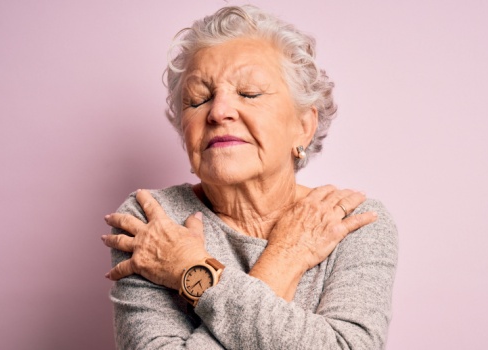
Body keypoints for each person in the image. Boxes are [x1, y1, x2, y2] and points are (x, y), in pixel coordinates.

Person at [101, 5, 398, 349]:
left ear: (303, 126)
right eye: (198, 99)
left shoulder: (352, 223)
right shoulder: (153, 219)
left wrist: (190, 269)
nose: (219, 111)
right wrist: (286, 258)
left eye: (249, 93)